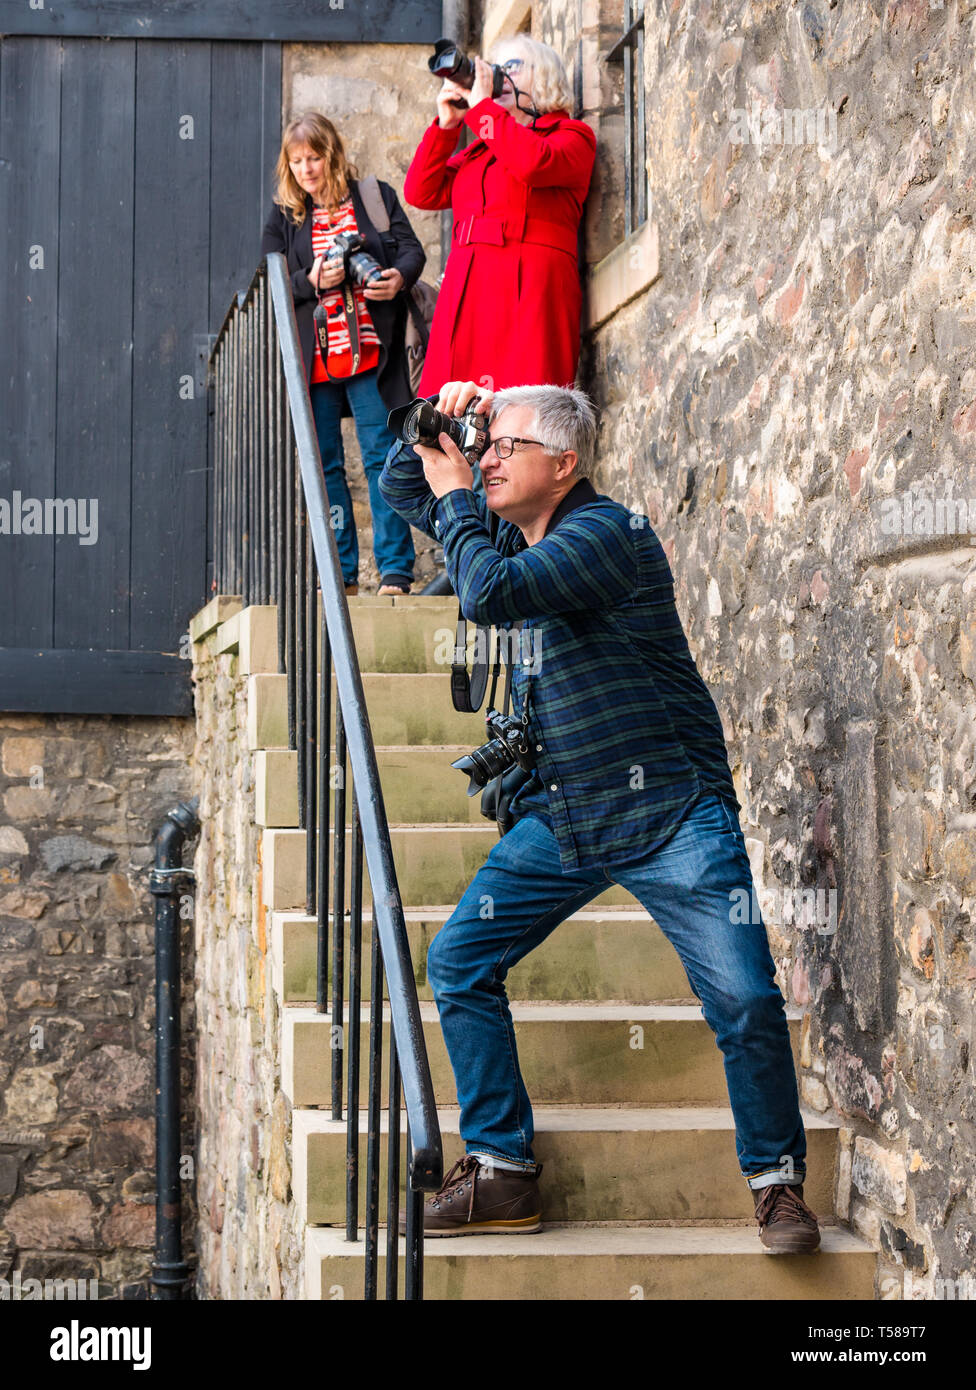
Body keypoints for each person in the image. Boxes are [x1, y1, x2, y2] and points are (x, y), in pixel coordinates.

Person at [379, 380, 821, 1254]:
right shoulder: (511, 526)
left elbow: (490, 594)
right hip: (568, 814)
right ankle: (502, 1170)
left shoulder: (606, 535)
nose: (490, 458)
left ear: (565, 463)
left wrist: (464, 493)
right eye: (488, 445)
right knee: (459, 959)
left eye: (506, 445)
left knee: (741, 995)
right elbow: (403, 487)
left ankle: (776, 1182)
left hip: (670, 810)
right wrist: (442, 410)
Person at [261, 111, 426, 596]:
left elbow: (411, 251)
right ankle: (342, 576)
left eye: (313, 157)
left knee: (384, 456)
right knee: (325, 462)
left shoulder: (374, 198)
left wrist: (398, 278)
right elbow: (267, 285)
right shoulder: (284, 216)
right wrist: (309, 281)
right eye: (296, 162)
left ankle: (395, 571)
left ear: (330, 155)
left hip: (372, 353)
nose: (306, 169)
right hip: (315, 360)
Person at [403, 36, 596, 397]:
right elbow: (421, 192)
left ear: (545, 77)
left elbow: (532, 162)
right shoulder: (480, 151)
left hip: (529, 294)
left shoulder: (571, 136)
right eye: (496, 68)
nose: (498, 77)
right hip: (467, 292)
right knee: (451, 417)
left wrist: (481, 110)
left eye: (512, 67)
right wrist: (447, 126)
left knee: (522, 414)